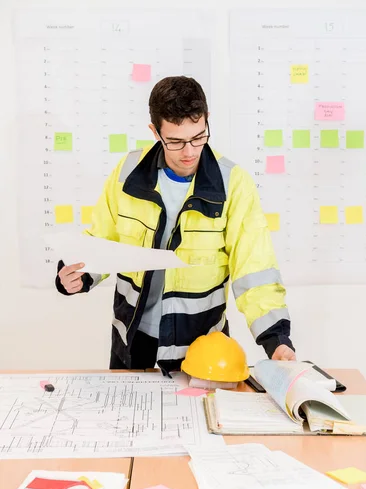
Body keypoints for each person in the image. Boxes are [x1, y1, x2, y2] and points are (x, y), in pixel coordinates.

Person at [56, 76, 296, 373]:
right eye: (176, 141)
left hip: (202, 348)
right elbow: (102, 241)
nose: (189, 152)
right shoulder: (128, 172)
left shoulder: (233, 184)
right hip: (132, 338)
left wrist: (276, 339)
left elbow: (254, 267)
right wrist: (77, 275)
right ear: (155, 132)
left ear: (207, 121)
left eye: (198, 137)